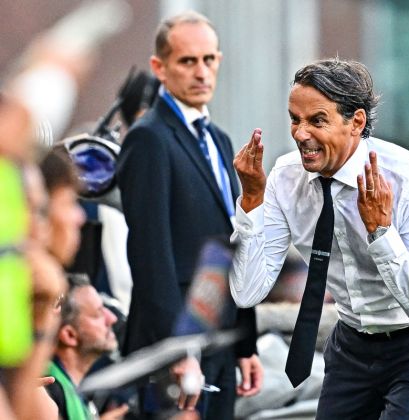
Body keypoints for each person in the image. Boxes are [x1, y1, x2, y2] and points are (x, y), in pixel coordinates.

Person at [230, 58, 409, 419]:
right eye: (294, 119)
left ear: (356, 122)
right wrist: (251, 202)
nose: (300, 133)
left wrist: (381, 232)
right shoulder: (285, 178)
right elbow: (246, 292)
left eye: (317, 120)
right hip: (355, 339)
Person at [116, 11, 261, 419]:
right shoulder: (148, 138)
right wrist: (176, 351)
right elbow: (150, 254)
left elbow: (233, 242)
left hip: (221, 341)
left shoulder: (219, 139)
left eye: (209, 59)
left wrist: (245, 342)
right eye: (187, 61)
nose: (202, 72)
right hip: (172, 348)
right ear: (159, 68)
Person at [46, 276, 129, 420]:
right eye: (98, 314)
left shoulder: (71, 390)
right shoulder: (49, 391)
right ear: (69, 335)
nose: (112, 318)